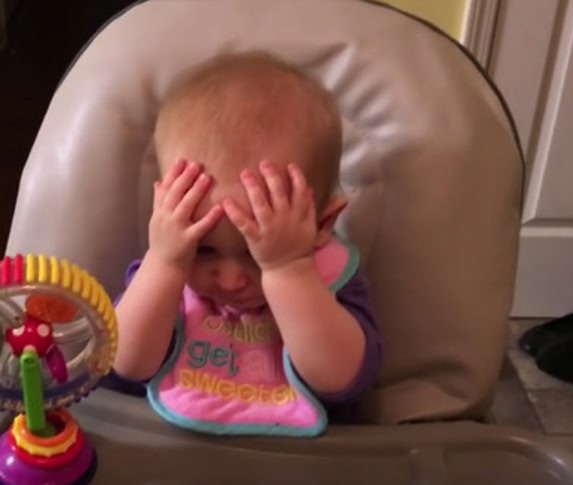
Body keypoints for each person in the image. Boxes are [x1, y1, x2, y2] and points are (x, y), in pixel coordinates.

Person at [105, 51, 383, 436]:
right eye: (203, 250)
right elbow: (126, 365)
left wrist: (288, 271)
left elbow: (340, 380)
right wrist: (166, 264)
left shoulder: (329, 280)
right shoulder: (166, 271)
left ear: (322, 225)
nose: (231, 280)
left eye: (255, 254)